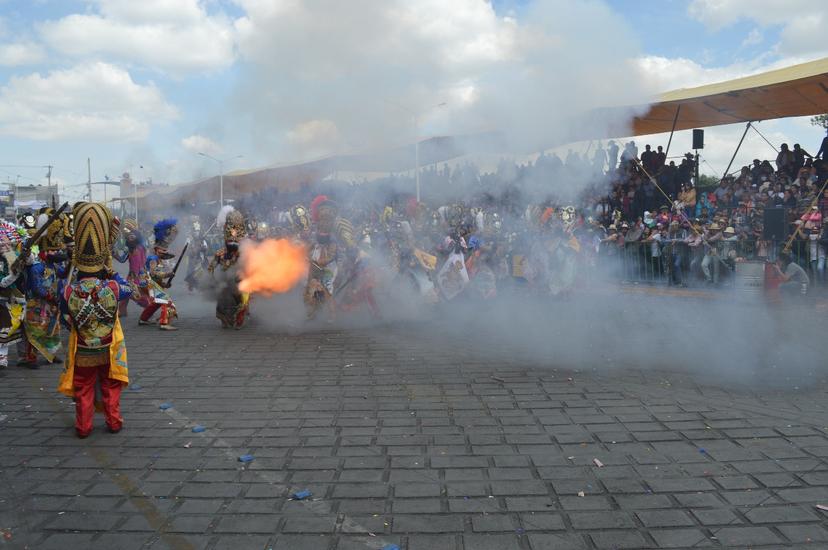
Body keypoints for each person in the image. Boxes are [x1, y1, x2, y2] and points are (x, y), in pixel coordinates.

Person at [58, 202, 131, 438]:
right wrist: (111, 271)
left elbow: (66, 319)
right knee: (111, 386)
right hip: (108, 347)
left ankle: (83, 427)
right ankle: (113, 422)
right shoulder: (112, 286)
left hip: (83, 350)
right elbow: (129, 288)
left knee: (84, 389)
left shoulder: (68, 291)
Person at [20, 208, 69, 366]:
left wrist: (70, 265)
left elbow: (62, 274)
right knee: (34, 330)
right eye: (53, 251)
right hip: (37, 303)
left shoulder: (51, 264)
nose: (57, 253)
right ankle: (30, 357)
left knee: (52, 330)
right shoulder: (36, 266)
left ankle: (50, 354)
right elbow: (36, 288)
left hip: (51, 304)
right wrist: (49, 296)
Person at [208, 206, 250, 329]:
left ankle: (239, 320)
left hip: (240, 281)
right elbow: (211, 268)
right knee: (223, 298)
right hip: (225, 282)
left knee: (242, 300)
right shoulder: (220, 253)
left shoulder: (244, 253)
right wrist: (212, 280)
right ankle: (225, 320)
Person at [139, 219, 179, 330]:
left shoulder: (158, 258)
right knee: (167, 301)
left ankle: (143, 319)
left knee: (157, 302)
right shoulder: (153, 258)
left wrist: (164, 284)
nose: (165, 252)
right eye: (163, 250)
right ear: (157, 249)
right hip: (147, 283)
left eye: (166, 250)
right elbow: (154, 273)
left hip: (151, 283)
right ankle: (164, 323)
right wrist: (168, 274)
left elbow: (156, 277)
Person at [0, 222, 27, 369]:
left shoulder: (13, 254)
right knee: (4, 329)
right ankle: (2, 359)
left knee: (22, 328)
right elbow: (3, 283)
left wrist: (26, 255)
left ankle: (24, 357)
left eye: (6, 242)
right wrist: (13, 275)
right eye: (1, 243)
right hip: (3, 299)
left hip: (17, 298)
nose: (4, 245)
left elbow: (29, 262)